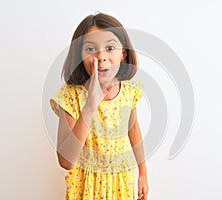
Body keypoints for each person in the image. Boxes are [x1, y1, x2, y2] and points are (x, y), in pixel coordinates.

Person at [49, 12, 149, 200]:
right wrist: (90, 106)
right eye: (90, 49)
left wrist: (143, 172)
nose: (101, 56)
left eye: (110, 48)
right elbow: (65, 161)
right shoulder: (70, 96)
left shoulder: (129, 91)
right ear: (79, 56)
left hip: (121, 183)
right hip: (85, 186)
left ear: (123, 54)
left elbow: (133, 128)